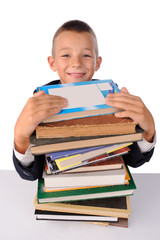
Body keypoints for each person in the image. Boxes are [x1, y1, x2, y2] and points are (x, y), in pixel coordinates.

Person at [13, 20, 156, 181]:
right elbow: (32, 172)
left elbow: (133, 159)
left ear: (97, 63)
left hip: (108, 184)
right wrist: (20, 138)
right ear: (52, 63)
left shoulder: (113, 97)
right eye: (66, 55)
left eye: (86, 55)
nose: (76, 63)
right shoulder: (39, 102)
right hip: (59, 189)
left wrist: (148, 132)